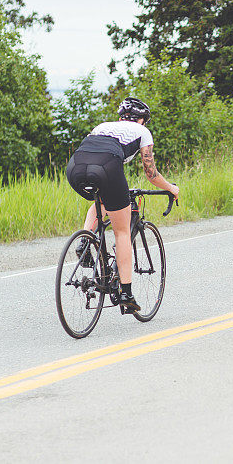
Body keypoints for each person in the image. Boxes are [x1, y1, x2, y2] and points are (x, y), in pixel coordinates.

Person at [66, 97, 179, 313]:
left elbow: (95, 153)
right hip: (107, 167)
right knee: (122, 232)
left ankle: (84, 240)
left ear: (121, 117)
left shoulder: (103, 126)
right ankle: (126, 293)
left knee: (102, 200)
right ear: (142, 121)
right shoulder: (142, 131)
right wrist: (171, 188)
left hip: (75, 167)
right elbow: (151, 174)